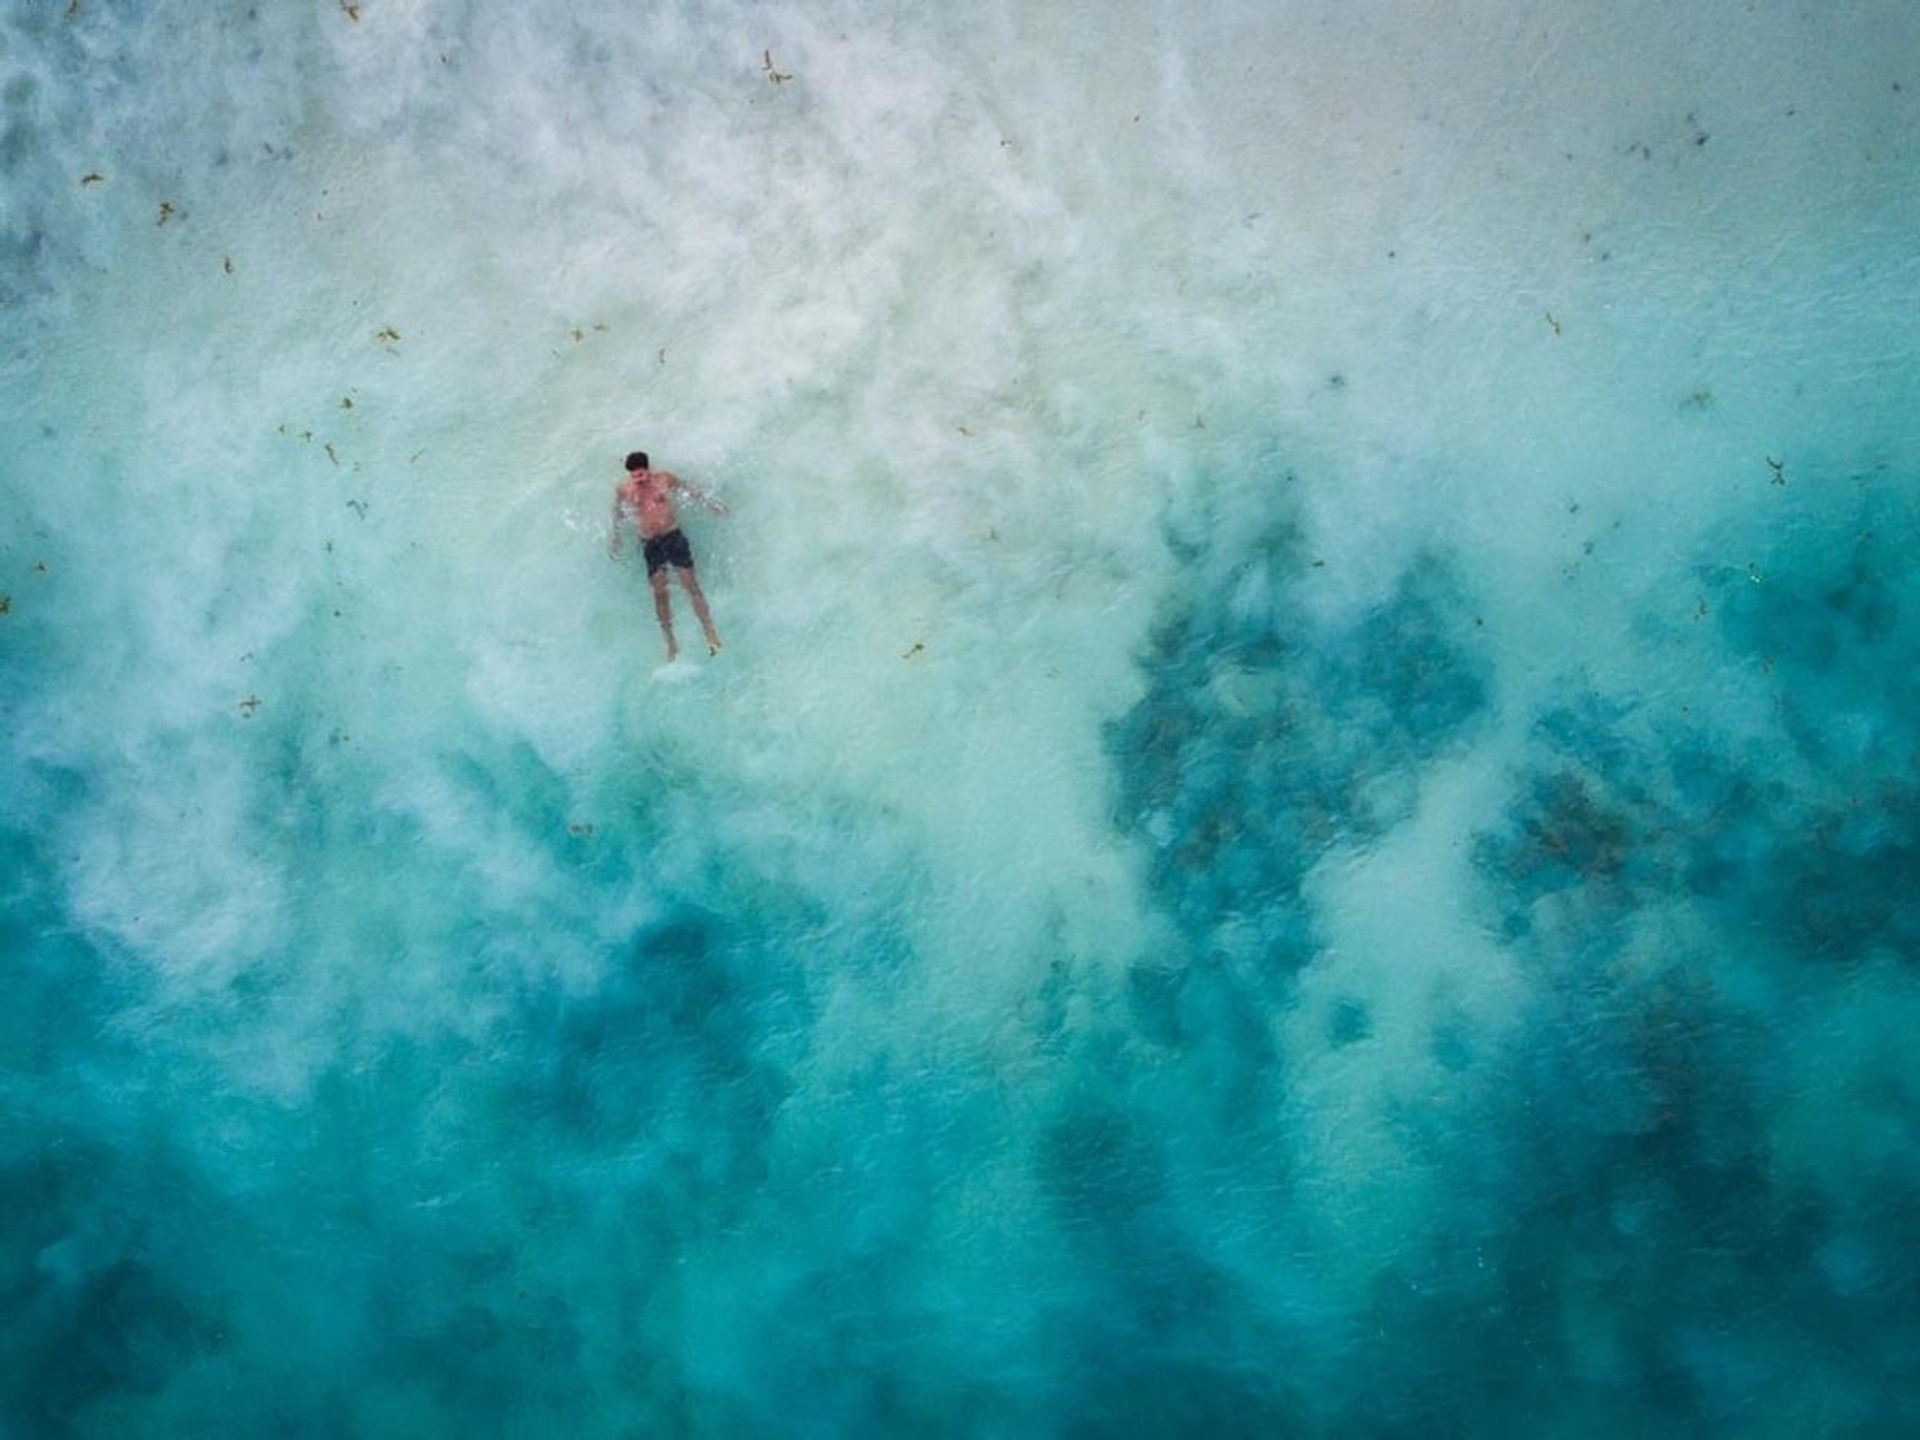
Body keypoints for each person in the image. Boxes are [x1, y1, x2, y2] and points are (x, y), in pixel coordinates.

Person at [609, 451, 726, 661]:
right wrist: (616, 537)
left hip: (673, 537)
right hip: (650, 543)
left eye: (642, 475)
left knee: (690, 585)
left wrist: (712, 504)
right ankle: (671, 643)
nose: (639, 480)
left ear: (648, 469)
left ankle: (710, 632)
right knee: (660, 593)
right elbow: (617, 512)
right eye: (634, 476)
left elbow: (691, 491)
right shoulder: (624, 489)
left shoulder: (664, 479)